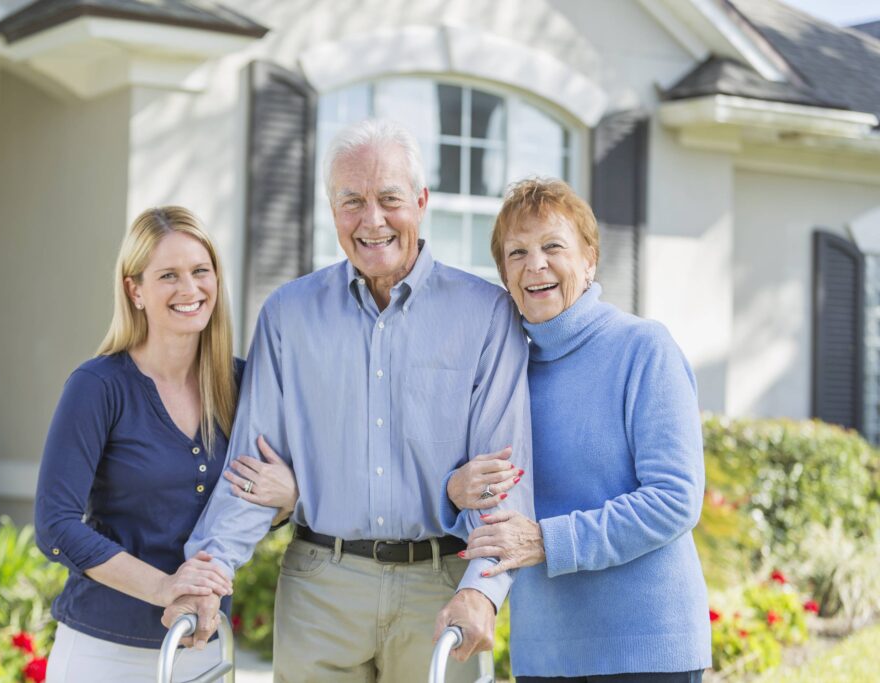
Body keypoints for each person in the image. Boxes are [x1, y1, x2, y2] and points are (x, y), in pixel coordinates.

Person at [162, 120, 533, 682]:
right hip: (320, 587)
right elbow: (249, 475)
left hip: (440, 585)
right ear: (331, 209)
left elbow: (501, 483)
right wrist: (206, 577)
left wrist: (483, 590)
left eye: (389, 199)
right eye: (352, 201)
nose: (372, 220)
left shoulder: (487, 315)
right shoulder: (288, 316)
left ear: (422, 201)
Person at [447, 178, 711, 682]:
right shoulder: (504, 373)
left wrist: (549, 541)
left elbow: (675, 498)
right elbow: (501, 518)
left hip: (648, 649)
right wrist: (455, 497)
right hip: (545, 655)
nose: (535, 264)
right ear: (504, 275)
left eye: (553, 246)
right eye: (517, 252)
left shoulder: (643, 348)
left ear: (590, 259)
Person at [34, 206, 297, 682]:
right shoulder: (98, 386)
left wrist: (287, 500)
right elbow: (55, 526)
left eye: (201, 271)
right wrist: (166, 588)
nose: (190, 289)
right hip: (102, 652)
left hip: (203, 646)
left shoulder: (243, 385)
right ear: (135, 290)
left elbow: (258, 499)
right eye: (168, 276)